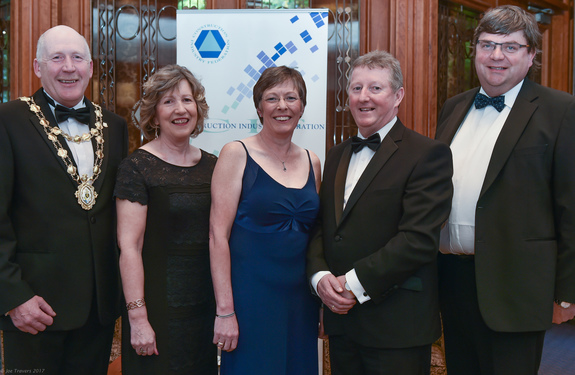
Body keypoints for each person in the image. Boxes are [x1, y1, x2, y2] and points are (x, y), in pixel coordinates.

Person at [436, 5, 575, 375]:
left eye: (510, 47)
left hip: (517, 286)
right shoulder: (453, 107)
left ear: (531, 56)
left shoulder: (560, 110)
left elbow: (571, 207)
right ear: (475, 51)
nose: (496, 56)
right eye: (487, 44)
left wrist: (567, 292)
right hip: (453, 281)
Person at [307, 50, 453, 375]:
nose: (363, 97)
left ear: (398, 95)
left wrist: (352, 284)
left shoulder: (428, 154)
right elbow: (322, 226)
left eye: (376, 88)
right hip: (342, 322)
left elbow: (417, 240)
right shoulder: (336, 155)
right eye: (356, 88)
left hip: (397, 326)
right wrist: (320, 279)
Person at [0, 25, 128, 374]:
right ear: (38, 67)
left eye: (77, 58)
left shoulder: (115, 127)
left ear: (90, 66)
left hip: (98, 310)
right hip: (34, 307)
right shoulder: (7, 120)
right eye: (56, 58)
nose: (68, 67)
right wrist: (13, 296)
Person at [210, 66, 322, 375]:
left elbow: (315, 236)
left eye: (291, 97)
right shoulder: (236, 154)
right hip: (249, 301)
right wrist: (225, 311)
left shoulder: (313, 161)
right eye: (272, 98)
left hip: (301, 301)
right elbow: (217, 236)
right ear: (259, 108)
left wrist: (323, 301)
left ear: (302, 107)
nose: (282, 106)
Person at [114, 64, 217, 374]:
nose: (180, 109)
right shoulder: (136, 168)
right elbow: (129, 247)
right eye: (168, 101)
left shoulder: (214, 166)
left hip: (204, 311)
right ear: (154, 113)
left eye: (187, 100)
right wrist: (137, 318)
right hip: (157, 312)